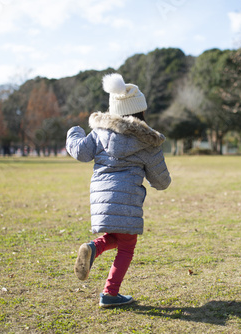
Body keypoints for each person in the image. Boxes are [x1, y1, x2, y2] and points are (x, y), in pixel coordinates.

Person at [65, 73, 171, 307]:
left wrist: (74, 131)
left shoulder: (100, 132)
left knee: (119, 236)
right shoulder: (148, 141)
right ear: (141, 111)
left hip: (101, 199)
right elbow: (162, 181)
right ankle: (110, 294)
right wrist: (157, 180)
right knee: (127, 244)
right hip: (127, 200)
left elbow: (80, 152)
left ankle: (94, 247)